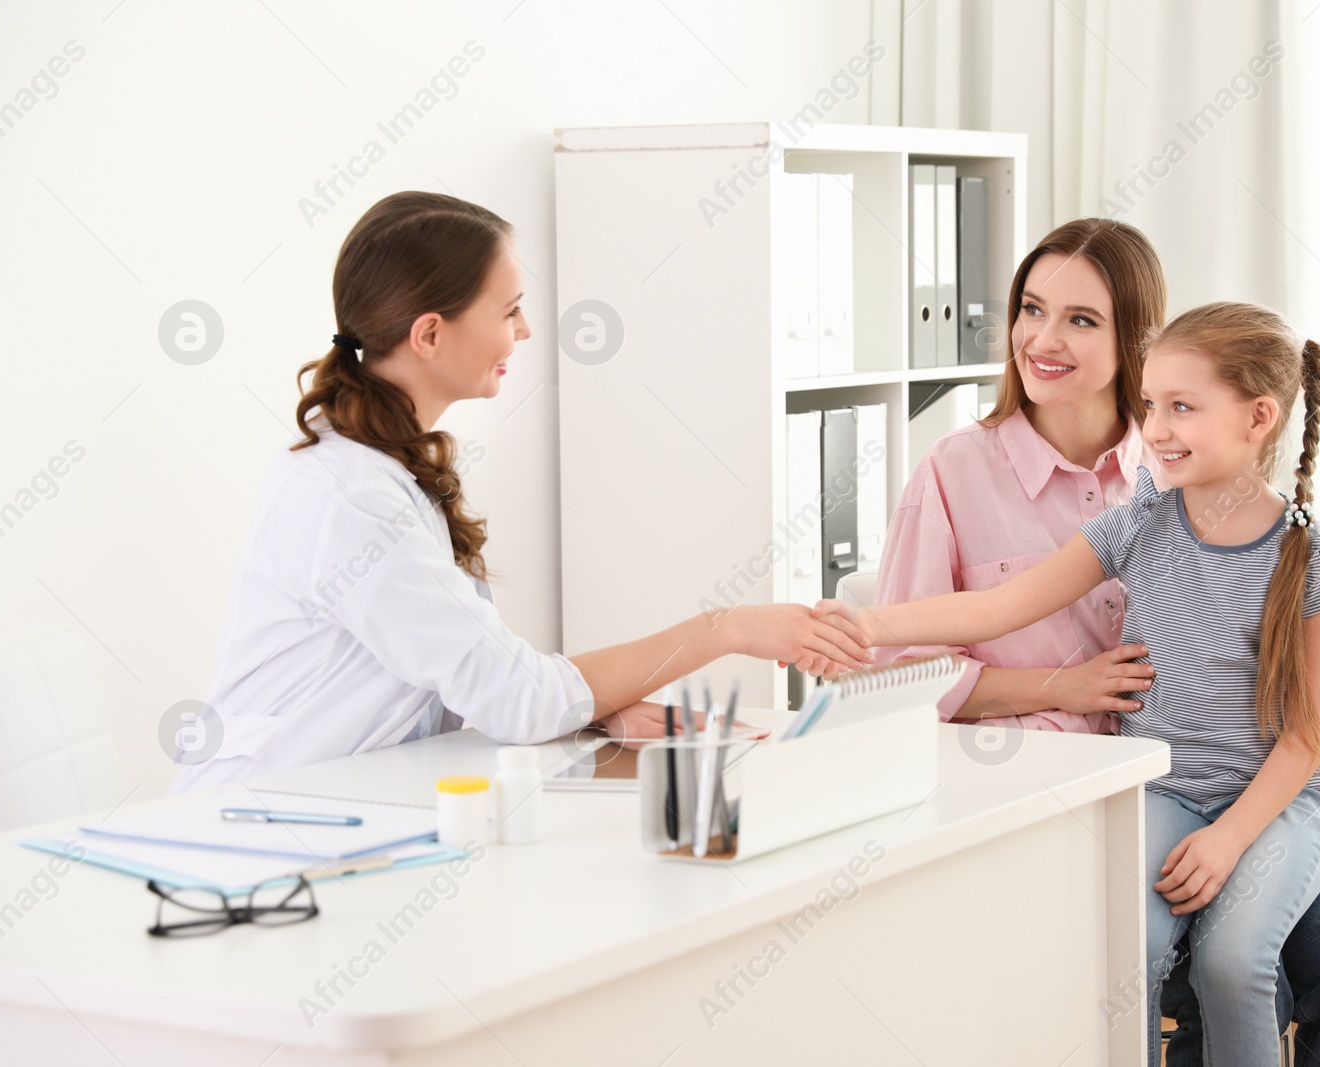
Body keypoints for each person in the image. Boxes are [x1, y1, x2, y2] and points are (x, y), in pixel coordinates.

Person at [858, 219, 1320, 1065]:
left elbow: (1292, 689)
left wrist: (1312, 624)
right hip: (1073, 791)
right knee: (1173, 960)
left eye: (1079, 318)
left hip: (1217, 785)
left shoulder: (1176, 459)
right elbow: (951, 637)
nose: (1042, 337)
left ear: (1139, 343)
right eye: (1031, 309)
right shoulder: (967, 474)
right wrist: (1049, 686)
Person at [172, 191, 870, 792]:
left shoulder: (375, 467)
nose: (526, 330)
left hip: (346, 802)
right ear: (430, 334)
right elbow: (517, 698)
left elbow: (487, 676)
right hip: (262, 825)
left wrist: (593, 709)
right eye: (509, 310)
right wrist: (728, 629)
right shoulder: (354, 497)